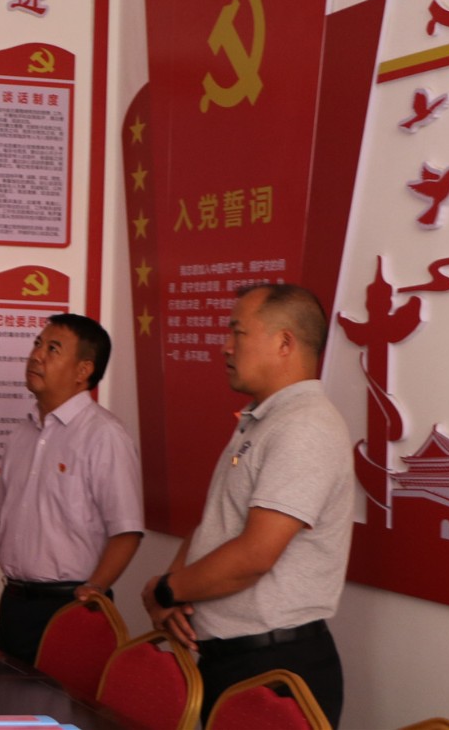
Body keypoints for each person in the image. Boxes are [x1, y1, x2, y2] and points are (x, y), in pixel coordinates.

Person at [142, 283, 352, 727]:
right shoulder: (262, 419)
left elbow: (256, 554)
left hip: (275, 670)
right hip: (233, 662)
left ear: (284, 343)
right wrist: (175, 586)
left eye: (238, 332)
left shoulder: (305, 426)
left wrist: (167, 591)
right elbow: (215, 524)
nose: (225, 346)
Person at [0, 313, 144, 665]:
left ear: (83, 370)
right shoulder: (22, 434)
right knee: (9, 698)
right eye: (38, 344)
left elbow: (127, 530)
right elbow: (9, 524)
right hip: (15, 605)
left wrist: (94, 590)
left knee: (64, 701)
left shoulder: (105, 436)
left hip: (71, 607)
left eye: (53, 349)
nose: (37, 355)